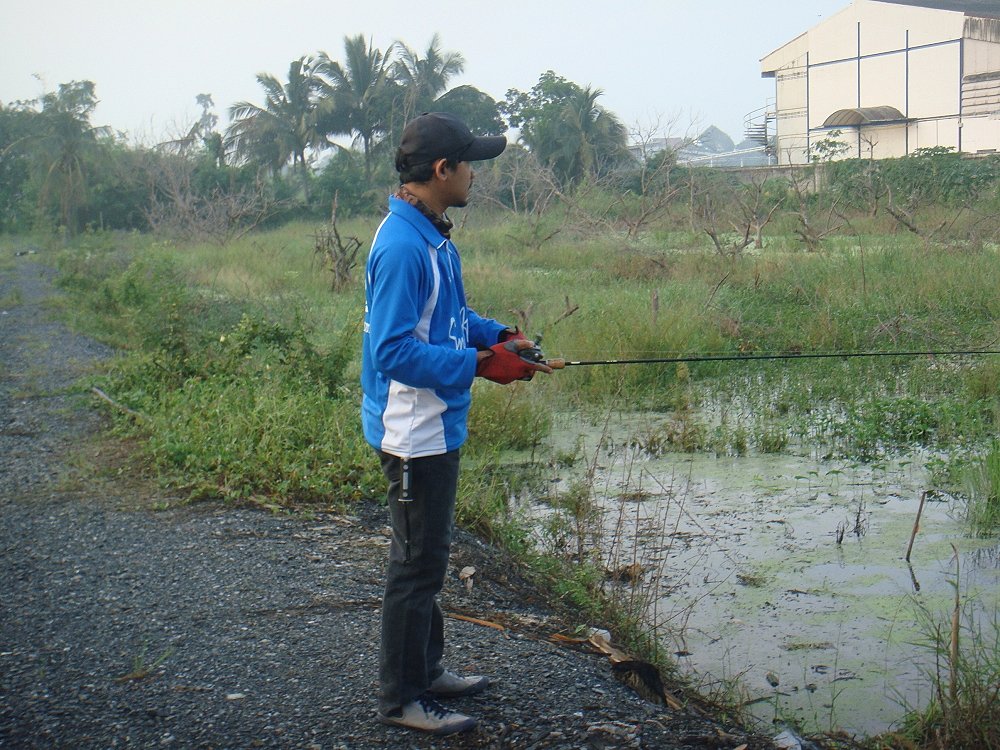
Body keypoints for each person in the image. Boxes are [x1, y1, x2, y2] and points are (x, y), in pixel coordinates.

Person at [361, 112, 553, 736]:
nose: (475, 174)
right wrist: (478, 366)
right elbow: (392, 353)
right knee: (413, 568)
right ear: (441, 172)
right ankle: (401, 699)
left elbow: (449, 316)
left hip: (437, 425)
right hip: (413, 433)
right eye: (469, 164)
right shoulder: (401, 247)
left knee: (430, 558)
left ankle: (429, 668)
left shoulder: (434, 237)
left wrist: (500, 338)